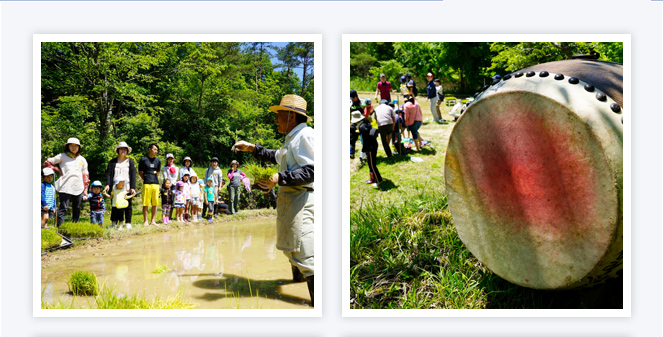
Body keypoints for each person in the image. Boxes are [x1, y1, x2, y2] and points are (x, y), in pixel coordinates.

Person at [232, 94, 315, 306]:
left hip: (302, 200)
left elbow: (312, 171)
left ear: (291, 116)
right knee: (292, 248)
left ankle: (320, 307)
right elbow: (276, 156)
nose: (275, 119)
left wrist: (279, 177)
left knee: (304, 253)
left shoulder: (305, 136)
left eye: (279, 115)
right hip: (292, 200)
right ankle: (299, 283)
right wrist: (252, 148)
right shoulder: (293, 138)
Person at [43, 137, 89, 227]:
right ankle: (60, 229)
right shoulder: (62, 156)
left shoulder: (82, 159)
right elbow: (47, 162)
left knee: (77, 208)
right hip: (65, 186)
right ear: (68, 146)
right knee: (63, 208)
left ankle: (75, 227)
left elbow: (85, 175)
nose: (74, 147)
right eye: (71, 145)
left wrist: (85, 190)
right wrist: (57, 170)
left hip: (78, 186)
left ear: (79, 147)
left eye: (76, 146)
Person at [104, 142, 137, 226]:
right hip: (115, 188)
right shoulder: (112, 162)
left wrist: (132, 187)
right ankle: (114, 222)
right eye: (121, 149)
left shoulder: (130, 161)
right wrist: (108, 184)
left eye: (125, 149)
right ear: (118, 150)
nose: (123, 151)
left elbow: (133, 175)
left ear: (127, 151)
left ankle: (128, 222)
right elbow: (109, 174)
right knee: (115, 206)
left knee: (128, 205)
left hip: (126, 187)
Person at [357, 110, 382, 188]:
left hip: (370, 147)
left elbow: (366, 141)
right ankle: (373, 178)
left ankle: (379, 180)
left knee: (372, 164)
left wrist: (364, 151)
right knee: (370, 163)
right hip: (373, 144)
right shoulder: (365, 123)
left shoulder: (362, 127)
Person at [138, 143, 161, 226]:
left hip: (156, 184)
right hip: (146, 183)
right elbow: (140, 172)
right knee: (146, 203)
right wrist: (145, 178)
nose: (156, 151)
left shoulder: (158, 161)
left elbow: (158, 172)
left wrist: (153, 177)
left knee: (155, 203)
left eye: (157, 150)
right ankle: (145, 221)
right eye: (154, 149)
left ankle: (153, 220)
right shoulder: (143, 160)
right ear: (149, 149)